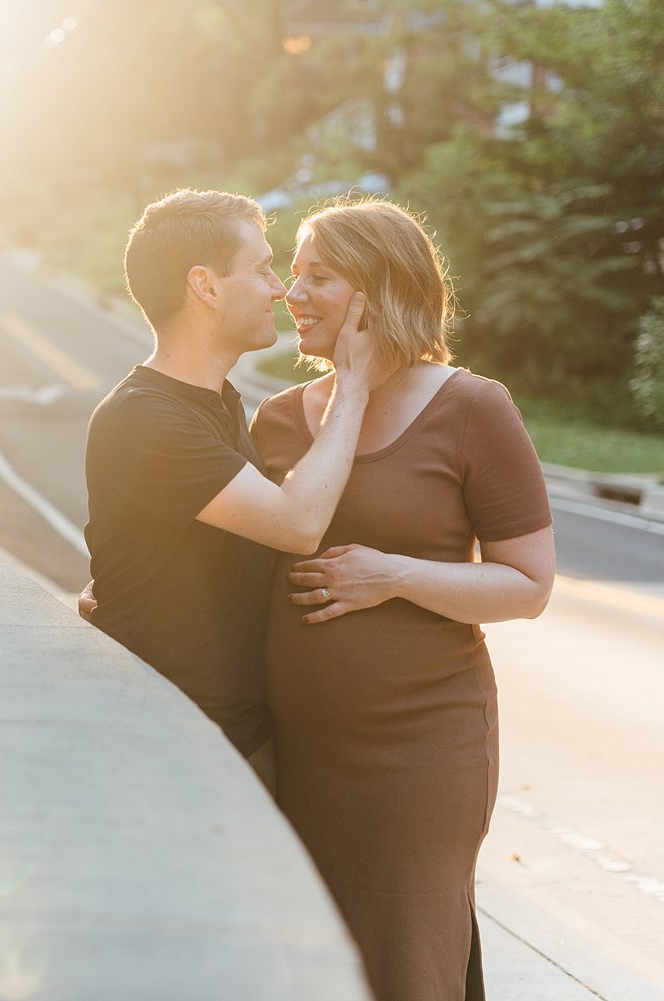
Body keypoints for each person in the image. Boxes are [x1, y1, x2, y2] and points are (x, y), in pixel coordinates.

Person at [252, 197, 555, 1001]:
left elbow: (529, 584)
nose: (293, 293)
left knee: (409, 957)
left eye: (319, 275)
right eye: (291, 274)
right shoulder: (279, 419)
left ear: (377, 290)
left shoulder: (472, 408)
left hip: (423, 747)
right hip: (297, 751)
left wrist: (392, 574)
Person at [81, 188, 391, 782]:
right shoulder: (145, 417)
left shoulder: (216, 403)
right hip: (175, 744)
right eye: (262, 269)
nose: (280, 290)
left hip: (225, 734)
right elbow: (296, 524)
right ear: (206, 286)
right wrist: (352, 386)